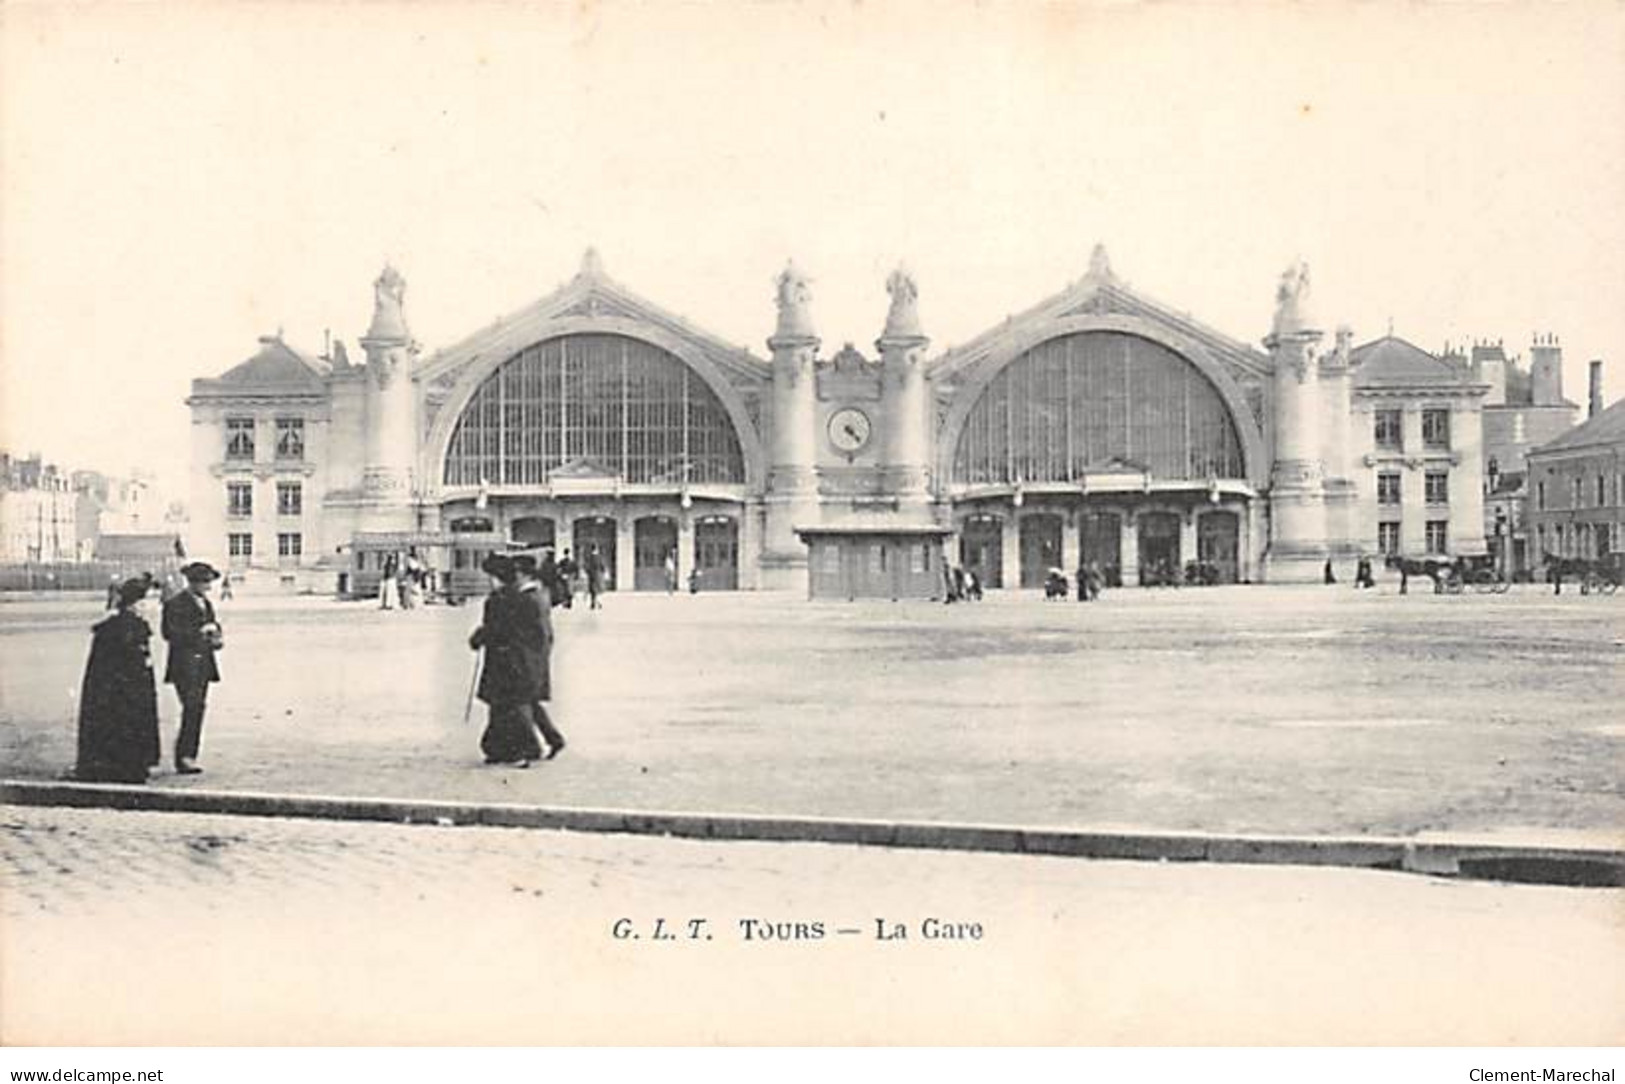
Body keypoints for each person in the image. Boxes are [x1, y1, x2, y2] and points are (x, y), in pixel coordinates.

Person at [74, 575, 162, 783]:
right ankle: (127, 764)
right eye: (146, 601)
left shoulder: (115, 626)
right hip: (126, 687)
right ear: (136, 603)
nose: (149, 606)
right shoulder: (129, 626)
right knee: (126, 721)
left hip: (119, 686)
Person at [467, 554, 544, 767]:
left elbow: (494, 628)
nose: (488, 581)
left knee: (504, 705)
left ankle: (518, 750)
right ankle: (502, 749)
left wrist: (478, 639)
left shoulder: (498, 600)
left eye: (490, 577)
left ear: (498, 577)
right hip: (517, 659)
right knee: (503, 705)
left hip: (505, 660)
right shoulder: (521, 598)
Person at [162, 561, 223, 775]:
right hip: (184, 665)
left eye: (209, 581)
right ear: (193, 582)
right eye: (204, 582)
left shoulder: (205, 603)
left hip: (203, 665)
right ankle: (184, 756)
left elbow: (214, 625)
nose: (208, 586)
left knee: (198, 708)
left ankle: (190, 754)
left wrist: (216, 636)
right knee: (192, 707)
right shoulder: (175, 604)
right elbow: (170, 633)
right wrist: (200, 633)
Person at [514, 554, 567, 759]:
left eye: (517, 573)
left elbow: (533, 632)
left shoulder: (529, 598)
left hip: (528, 657)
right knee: (531, 701)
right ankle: (554, 739)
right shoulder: (541, 594)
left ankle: (531, 747)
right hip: (536, 656)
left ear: (524, 574)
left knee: (521, 701)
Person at [584, 546, 606, 610]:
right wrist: (602, 572)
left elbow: (586, 567)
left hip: (591, 576)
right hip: (598, 576)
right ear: (596, 550)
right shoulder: (600, 558)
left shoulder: (589, 557)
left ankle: (593, 603)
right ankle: (599, 603)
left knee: (592, 591)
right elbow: (603, 567)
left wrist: (588, 573)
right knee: (598, 591)